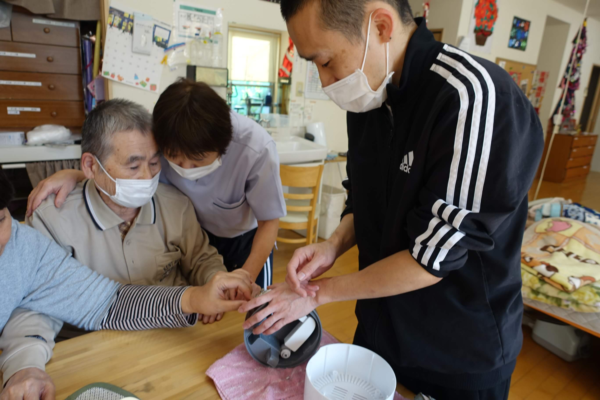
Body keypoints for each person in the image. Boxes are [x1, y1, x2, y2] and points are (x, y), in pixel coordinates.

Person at [241, 1, 544, 399]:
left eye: (327, 61)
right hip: (379, 327)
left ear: (381, 26)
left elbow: (431, 258)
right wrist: (332, 245)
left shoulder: (472, 98)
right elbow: (365, 197)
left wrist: (317, 293)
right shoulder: (369, 97)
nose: (326, 80)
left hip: (456, 348)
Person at [0, 170, 254, 400]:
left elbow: (110, 302)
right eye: (133, 166)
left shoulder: (25, 248)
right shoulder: (53, 218)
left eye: (1, 219)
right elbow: (35, 312)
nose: (144, 175)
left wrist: (192, 298)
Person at [27, 80, 286, 291]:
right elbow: (122, 162)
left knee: (249, 302)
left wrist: (245, 278)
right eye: (174, 159)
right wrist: (76, 174)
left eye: (196, 162)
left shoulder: (255, 149)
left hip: (245, 238)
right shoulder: (163, 133)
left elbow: (268, 222)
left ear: (223, 148)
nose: (185, 169)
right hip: (198, 232)